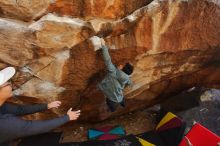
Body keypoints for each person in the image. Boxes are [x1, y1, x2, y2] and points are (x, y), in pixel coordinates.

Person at [0, 67, 81, 145]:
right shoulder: (5, 124)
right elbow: (35, 127)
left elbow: (20, 110)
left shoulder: (2, 107)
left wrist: (46, 106)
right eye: (7, 83)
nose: (10, 84)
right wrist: (67, 117)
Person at [91, 36, 134, 112]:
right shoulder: (127, 77)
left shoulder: (113, 71)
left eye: (122, 65)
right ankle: (122, 104)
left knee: (112, 108)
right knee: (120, 99)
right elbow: (130, 83)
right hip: (120, 96)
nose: (121, 64)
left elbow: (107, 60)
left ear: (122, 68)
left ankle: (113, 109)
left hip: (112, 99)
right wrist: (128, 85)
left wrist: (103, 45)